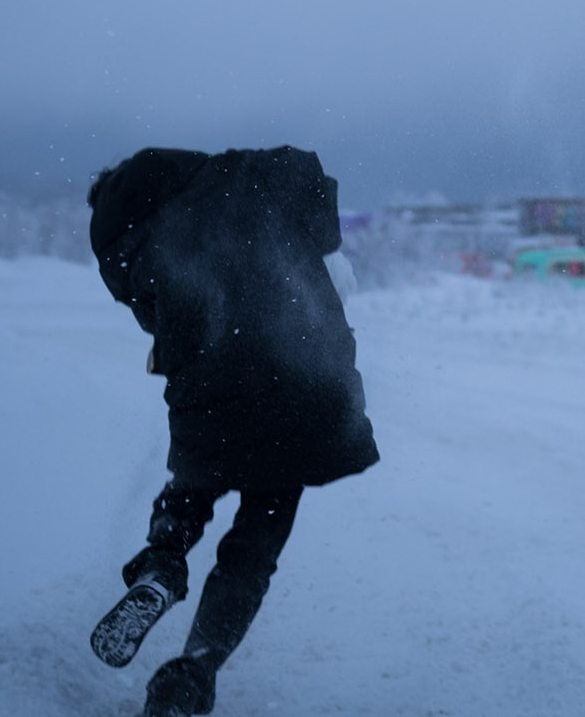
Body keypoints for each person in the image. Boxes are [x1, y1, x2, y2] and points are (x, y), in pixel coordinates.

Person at [85, 145, 380, 717]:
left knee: (193, 482)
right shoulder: (241, 171)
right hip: (303, 376)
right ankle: (194, 667)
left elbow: (154, 317)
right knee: (256, 542)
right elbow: (316, 198)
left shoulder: (125, 235)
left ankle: (163, 563)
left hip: (211, 378)